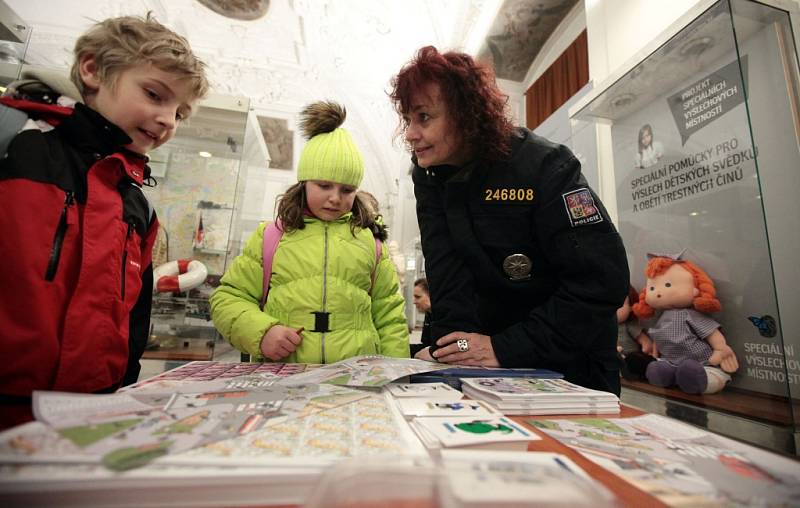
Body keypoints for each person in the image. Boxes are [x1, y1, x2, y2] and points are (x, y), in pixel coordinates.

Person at [0, 14, 209, 427]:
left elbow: (133, 319)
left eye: (181, 113)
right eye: (154, 94)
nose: (169, 120)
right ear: (93, 69)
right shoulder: (13, 145)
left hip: (86, 417)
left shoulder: (137, 206)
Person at [389, 46, 629, 394]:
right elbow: (447, 274)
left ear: (465, 114)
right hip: (485, 369)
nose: (410, 133)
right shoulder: (429, 176)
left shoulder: (546, 165)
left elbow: (600, 282)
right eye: (408, 119)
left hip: (569, 368)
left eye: (424, 117)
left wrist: (505, 348)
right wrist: (449, 353)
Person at [210, 101, 409, 363]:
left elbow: (390, 316)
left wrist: (395, 372)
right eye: (324, 185)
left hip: (355, 381)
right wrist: (262, 333)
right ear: (304, 182)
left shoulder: (371, 244)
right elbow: (227, 299)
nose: (335, 198)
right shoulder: (271, 237)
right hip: (285, 380)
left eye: (347, 190)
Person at [632, 254, 738, 394]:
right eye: (652, 288)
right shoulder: (661, 318)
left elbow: (711, 332)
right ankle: (668, 375)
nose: (657, 293)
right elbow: (660, 337)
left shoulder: (690, 315)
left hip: (702, 363)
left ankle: (699, 379)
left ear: (695, 288)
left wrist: (720, 349)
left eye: (668, 285)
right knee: (659, 369)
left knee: (695, 372)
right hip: (672, 362)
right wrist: (656, 354)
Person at [410, 277, 433, 356]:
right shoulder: (428, 315)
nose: (414, 302)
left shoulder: (444, 317)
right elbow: (426, 346)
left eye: (418, 297)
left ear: (431, 296)